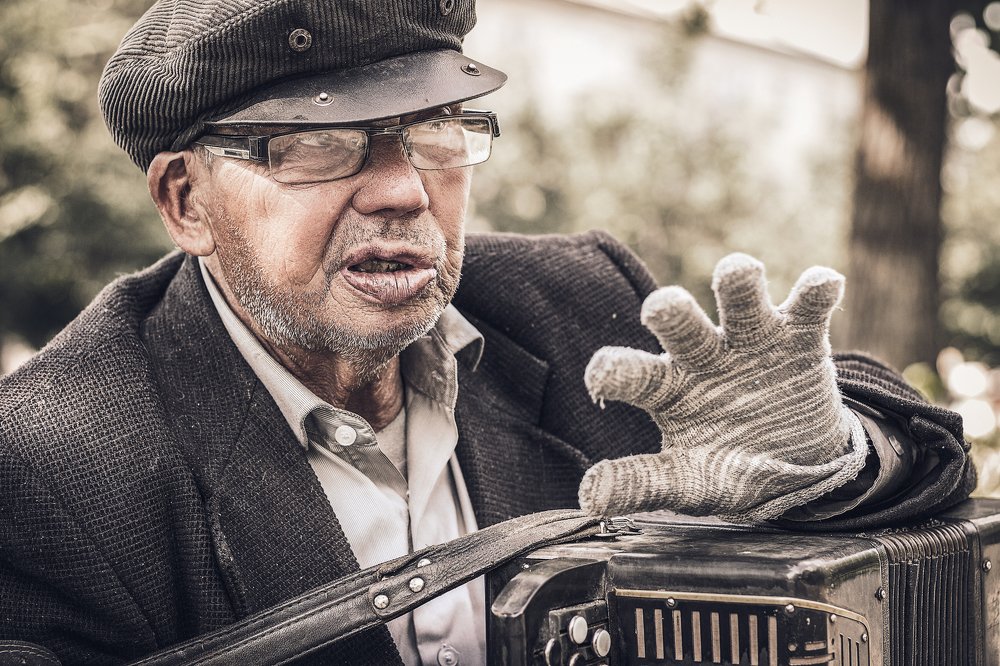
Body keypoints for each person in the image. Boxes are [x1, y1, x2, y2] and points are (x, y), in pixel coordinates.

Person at [0, 0, 975, 664]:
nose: (402, 190)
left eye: (436, 130)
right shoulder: (48, 466)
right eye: (319, 145)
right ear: (186, 200)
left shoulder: (573, 300)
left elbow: (931, 458)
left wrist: (832, 460)